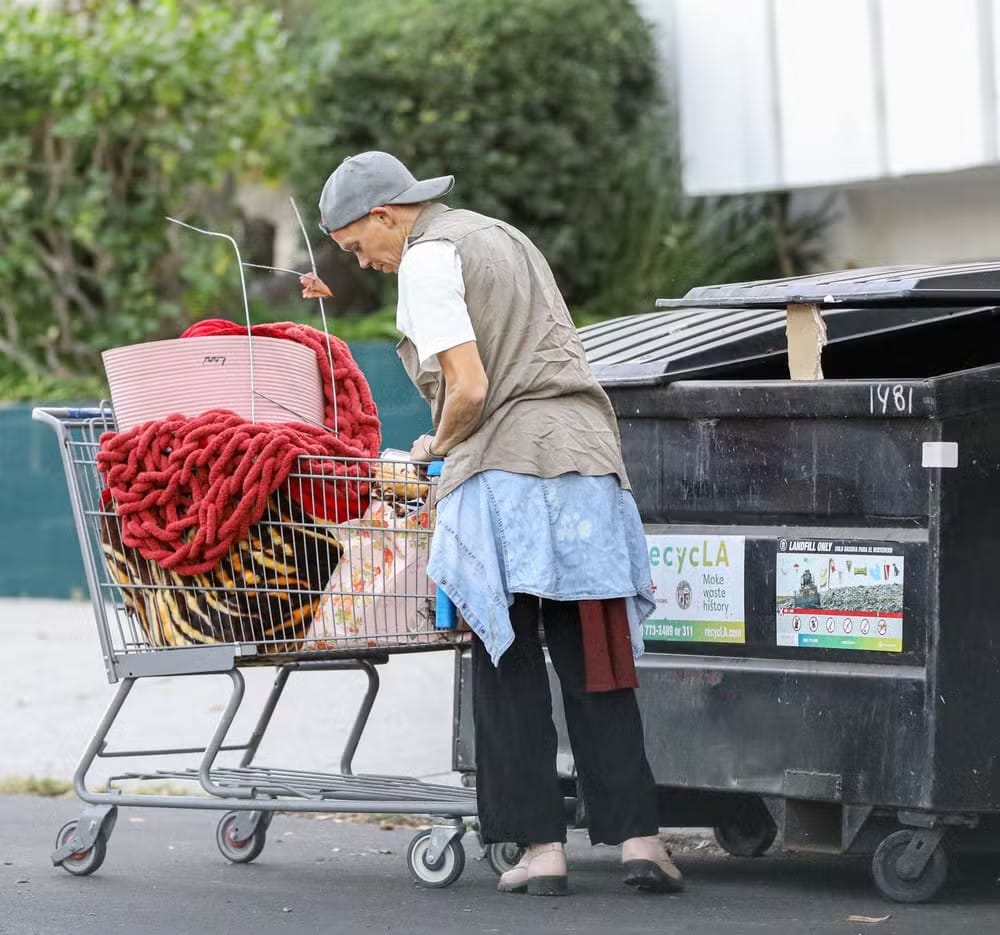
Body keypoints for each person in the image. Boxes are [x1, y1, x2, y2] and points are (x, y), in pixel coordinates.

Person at [313, 151, 683, 897]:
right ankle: (641, 841)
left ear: (386, 215)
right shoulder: (503, 237)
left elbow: (471, 386)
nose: (368, 263)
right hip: (584, 463)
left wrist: (431, 451)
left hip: (506, 472)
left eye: (359, 246)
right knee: (595, 652)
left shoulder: (426, 258)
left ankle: (542, 851)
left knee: (505, 658)